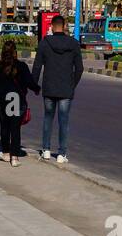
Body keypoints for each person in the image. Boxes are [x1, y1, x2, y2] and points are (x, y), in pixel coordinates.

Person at [31, 14, 85, 164]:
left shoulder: (44, 43)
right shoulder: (74, 44)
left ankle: (46, 150)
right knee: (64, 121)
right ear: (64, 26)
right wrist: (72, 85)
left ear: (52, 27)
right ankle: (61, 153)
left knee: (48, 118)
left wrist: (34, 85)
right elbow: (79, 69)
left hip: (49, 88)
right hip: (66, 89)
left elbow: (37, 66)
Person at [0, 39, 39, 166]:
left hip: (2, 100)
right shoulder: (21, 66)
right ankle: (14, 158)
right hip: (17, 100)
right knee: (15, 128)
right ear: (15, 52)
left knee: (4, 126)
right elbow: (29, 82)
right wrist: (37, 89)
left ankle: (6, 153)